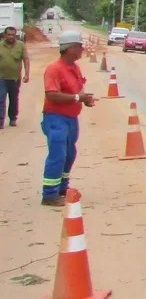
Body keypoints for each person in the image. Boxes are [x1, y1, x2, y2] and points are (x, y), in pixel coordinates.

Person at [40, 31, 96, 206]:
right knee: (58, 154)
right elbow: (52, 95)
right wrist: (78, 98)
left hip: (71, 118)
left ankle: (62, 187)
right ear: (70, 48)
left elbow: (77, 92)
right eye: (79, 46)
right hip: (56, 118)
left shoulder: (74, 68)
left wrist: (85, 100)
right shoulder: (54, 69)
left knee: (69, 154)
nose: (82, 49)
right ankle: (49, 194)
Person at [0, 25, 30, 129]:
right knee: (1, 98)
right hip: (1, 78)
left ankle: (13, 118)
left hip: (15, 78)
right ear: (5, 35)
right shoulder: (0, 45)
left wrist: (27, 74)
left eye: (13, 35)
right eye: (9, 35)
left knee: (13, 99)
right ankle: (0, 120)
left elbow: (26, 59)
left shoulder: (21, 45)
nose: (11, 37)